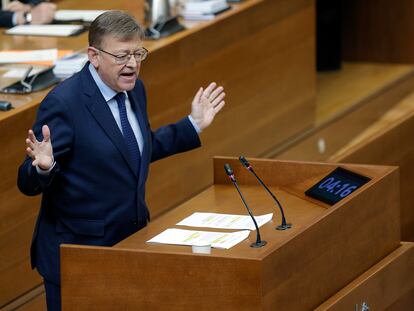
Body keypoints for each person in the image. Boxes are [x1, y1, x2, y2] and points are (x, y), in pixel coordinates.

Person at [17, 10, 225, 311]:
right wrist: (44, 167)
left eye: (138, 53)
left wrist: (191, 124)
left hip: (129, 244)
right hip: (80, 257)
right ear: (94, 55)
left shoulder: (134, 90)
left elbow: (134, 150)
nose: (132, 64)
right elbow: (26, 180)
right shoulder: (65, 104)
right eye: (122, 55)